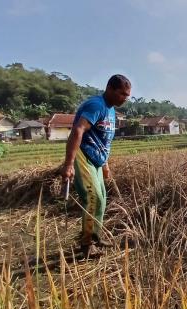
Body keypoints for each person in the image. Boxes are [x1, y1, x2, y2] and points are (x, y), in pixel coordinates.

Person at [60, 74, 131, 257]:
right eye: (122, 94)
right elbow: (78, 130)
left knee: (102, 200)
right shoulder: (96, 105)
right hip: (84, 156)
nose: (125, 98)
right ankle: (87, 245)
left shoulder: (111, 110)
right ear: (110, 88)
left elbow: (102, 139)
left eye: (127, 95)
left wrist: (105, 165)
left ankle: (94, 236)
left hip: (98, 161)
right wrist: (68, 164)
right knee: (94, 198)